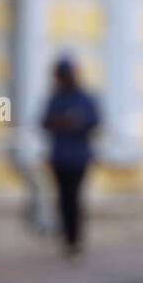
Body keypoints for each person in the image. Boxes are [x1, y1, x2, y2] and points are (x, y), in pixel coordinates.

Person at [41, 56, 100, 257]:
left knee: (74, 198)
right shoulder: (56, 98)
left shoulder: (84, 98)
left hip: (78, 159)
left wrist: (76, 121)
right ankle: (67, 239)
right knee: (63, 199)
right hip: (60, 159)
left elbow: (94, 121)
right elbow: (44, 122)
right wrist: (62, 121)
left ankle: (75, 241)